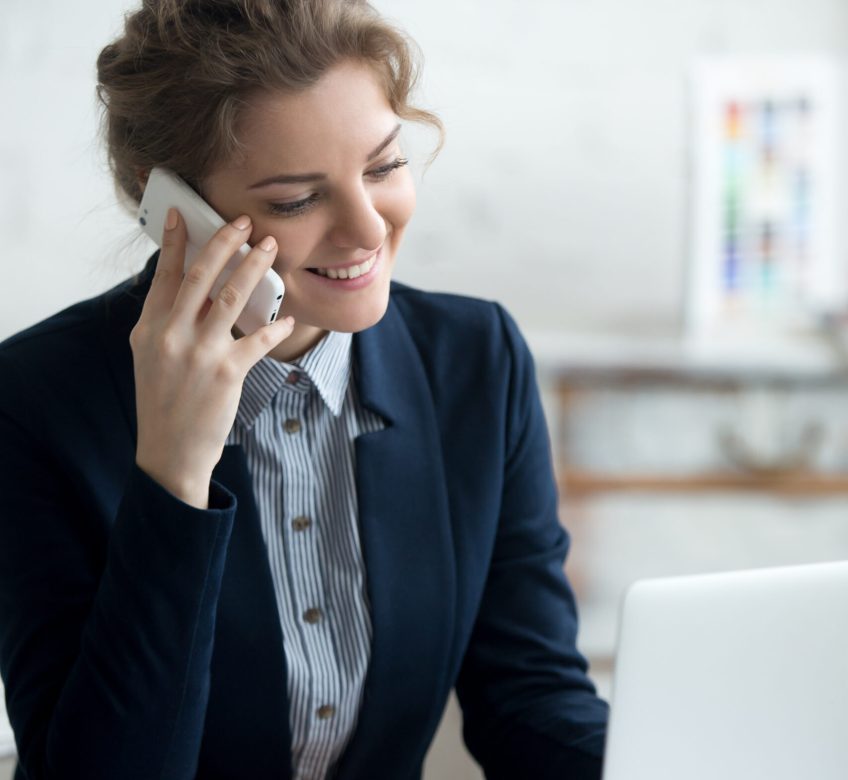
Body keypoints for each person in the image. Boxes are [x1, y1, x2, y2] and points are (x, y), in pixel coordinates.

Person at [0, 1, 609, 778]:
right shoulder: (35, 401)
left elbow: (530, 699)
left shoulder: (476, 361)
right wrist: (174, 479)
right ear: (175, 215)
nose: (366, 228)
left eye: (384, 166)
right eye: (296, 199)